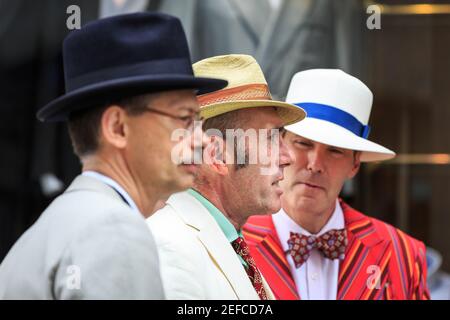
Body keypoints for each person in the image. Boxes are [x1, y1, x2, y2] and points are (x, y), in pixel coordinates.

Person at [0, 12, 227, 299]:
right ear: (117, 127)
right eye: (184, 118)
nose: (202, 139)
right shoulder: (114, 231)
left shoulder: (54, 227)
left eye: (199, 122)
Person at [243, 69, 430, 300]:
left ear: (355, 164)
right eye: (303, 143)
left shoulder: (402, 255)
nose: (315, 164)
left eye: (335, 151)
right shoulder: (231, 243)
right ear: (279, 148)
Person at [147, 54, 305, 299]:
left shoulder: (226, 240)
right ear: (217, 155)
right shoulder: (171, 247)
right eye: (271, 138)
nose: (288, 157)